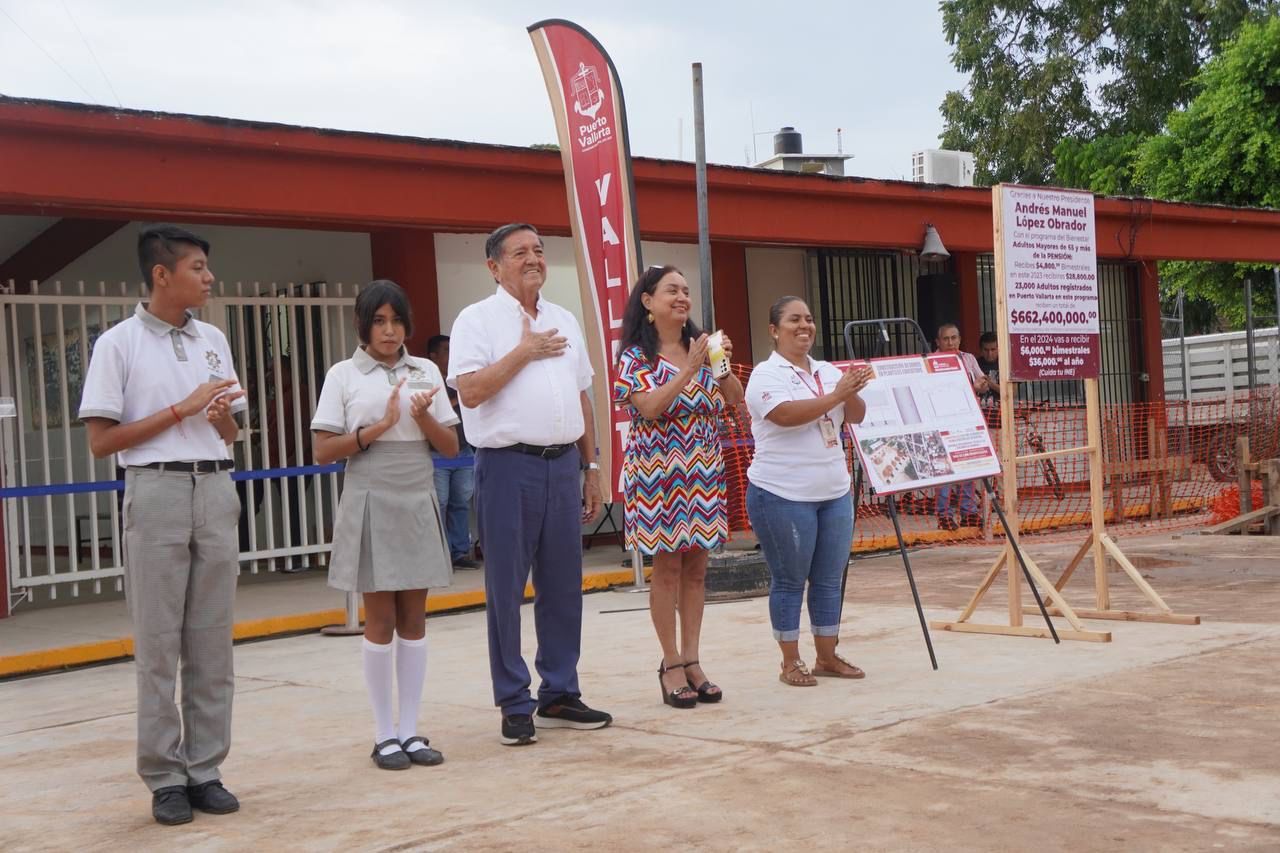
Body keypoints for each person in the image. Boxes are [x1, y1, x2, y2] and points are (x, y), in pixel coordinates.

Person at [79, 225, 247, 825]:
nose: (207, 278)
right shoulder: (118, 344)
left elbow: (232, 433)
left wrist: (222, 418)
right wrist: (182, 407)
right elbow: (102, 442)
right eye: (198, 267)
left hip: (216, 484)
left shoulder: (215, 340)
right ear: (161, 274)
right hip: (155, 489)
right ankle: (164, 776)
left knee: (212, 638)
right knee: (157, 643)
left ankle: (205, 769)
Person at [447, 222, 612, 746]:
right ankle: (514, 701)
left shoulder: (563, 318)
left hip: (563, 465)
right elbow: (470, 392)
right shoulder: (477, 319)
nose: (533, 259)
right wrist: (524, 352)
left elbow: (582, 395)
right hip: (506, 466)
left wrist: (591, 466)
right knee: (505, 589)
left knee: (564, 585)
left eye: (539, 250)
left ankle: (559, 692)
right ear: (494, 266)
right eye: (520, 252)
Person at [311, 280, 459, 770]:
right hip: (371, 490)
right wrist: (377, 428)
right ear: (364, 324)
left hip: (417, 490)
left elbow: (452, 448)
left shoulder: (425, 371)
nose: (390, 331)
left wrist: (422, 420)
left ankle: (412, 731)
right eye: (380, 321)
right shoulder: (343, 375)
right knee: (379, 618)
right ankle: (383, 735)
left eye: (396, 321)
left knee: (415, 618)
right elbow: (323, 449)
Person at [613, 265, 744, 709]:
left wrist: (719, 364)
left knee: (698, 569)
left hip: (703, 471)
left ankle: (693, 659)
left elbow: (734, 396)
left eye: (686, 291)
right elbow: (649, 407)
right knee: (667, 567)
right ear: (648, 302)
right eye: (672, 290)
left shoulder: (702, 346)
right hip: (658, 475)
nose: (682, 297)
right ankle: (669, 663)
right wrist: (688, 370)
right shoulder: (634, 357)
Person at [744, 296, 874, 687]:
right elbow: (785, 417)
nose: (804, 326)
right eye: (794, 320)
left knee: (830, 578)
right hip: (782, 493)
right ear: (774, 330)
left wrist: (849, 389)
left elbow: (857, 414)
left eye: (809, 319)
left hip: (833, 491)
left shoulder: (827, 370)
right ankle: (789, 661)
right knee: (789, 579)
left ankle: (827, 656)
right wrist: (837, 394)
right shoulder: (766, 375)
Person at [426, 334, 478, 569]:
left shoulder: (460, 379)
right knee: (440, 502)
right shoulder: (426, 378)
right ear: (433, 356)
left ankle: (459, 552)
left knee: (461, 502)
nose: (452, 354)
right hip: (437, 454)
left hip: (464, 450)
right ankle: (439, 555)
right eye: (446, 350)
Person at [933, 322, 981, 529]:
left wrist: (982, 385)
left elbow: (982, 379)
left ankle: (969, 512)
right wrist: (973, 387)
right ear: (938, 342)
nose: (950, 342)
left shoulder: (968, 359)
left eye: (954, 338)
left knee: (967, 467)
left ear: (960, 339)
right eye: (946, 339)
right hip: (941, 422)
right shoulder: (930, 362)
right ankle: (944, 515)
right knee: (944, 470)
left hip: (967, 421)